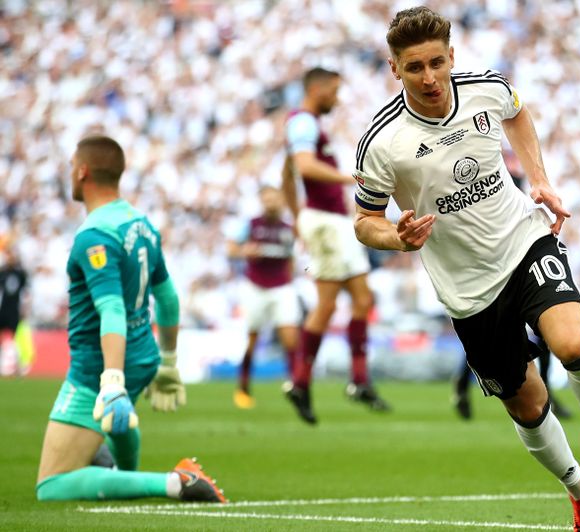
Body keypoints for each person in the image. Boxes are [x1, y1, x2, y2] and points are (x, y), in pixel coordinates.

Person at [352, 7, 580, 530]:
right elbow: (365, 221)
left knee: (575, 347)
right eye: (414, 68)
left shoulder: (488, 88)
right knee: (527, 402)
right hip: (469, 290)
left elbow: (517, 114)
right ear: (395, 69)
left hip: (524, 243)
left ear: (452, 57)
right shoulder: (382, 142)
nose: (429, 77)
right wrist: (398, 238)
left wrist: (538, 178)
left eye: (436, 62)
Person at [35, 135, 226, 502]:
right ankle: (124, 478)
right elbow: (167, 297)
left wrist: (112, 380)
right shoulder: (140, 223)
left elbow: (112, 310)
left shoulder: (94, 235)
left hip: (101, 363)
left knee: (51, 486)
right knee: (115, 427)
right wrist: (168, 363)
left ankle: (175, 482)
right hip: (143, 354)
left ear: (82, 171)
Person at [282, 67, 389, 423]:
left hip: (326, 222)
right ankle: (302, 382)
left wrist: (298, 216)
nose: (336, 97)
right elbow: (304, 167)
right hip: (327, 223)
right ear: (316, 88)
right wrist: (349, 178)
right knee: (328, 304)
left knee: (361, 299)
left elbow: (287, 174)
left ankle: (357, 380)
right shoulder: (303, 122)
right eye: (333, 90)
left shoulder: (304, 124)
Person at [226, 186, 300, 411]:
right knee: (252, 339)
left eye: (274, 199)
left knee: (290, 338)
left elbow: (293, 258)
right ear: (261, 201)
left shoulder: (289, 228)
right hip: (255, 286)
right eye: (266, 199)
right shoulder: (251, 225)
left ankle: (297, 387)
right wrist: (244, 252)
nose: (271, 203)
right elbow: (231, 249)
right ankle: (243, 387)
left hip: (281, 287)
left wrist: (290, 277)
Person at [0, 247, 28, 375]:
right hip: (3, 309)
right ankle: (6, 364)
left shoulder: (20, 274)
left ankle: (17, 365)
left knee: (14, 337)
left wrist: (24, 307)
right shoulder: (2, 273)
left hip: (14, 310)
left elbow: (26, 292)